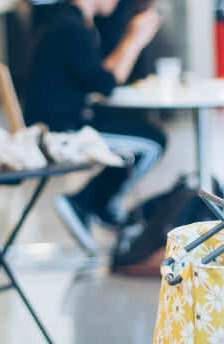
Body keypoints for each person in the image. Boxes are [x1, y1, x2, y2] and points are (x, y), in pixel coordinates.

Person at [24, 0, 164, 253]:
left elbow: (96, 76)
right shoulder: (69, 27)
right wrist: (134, 39)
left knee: (143, 135)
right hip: (60, 132)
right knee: (152, 143)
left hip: (64, 122)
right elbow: (106, 83)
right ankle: (85, 202)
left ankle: (99, 203)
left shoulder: (70, 21)